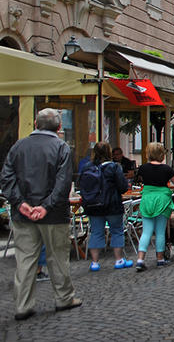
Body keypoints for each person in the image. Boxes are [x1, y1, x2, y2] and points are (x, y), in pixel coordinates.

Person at [1, 108, 81, 320]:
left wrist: (21, 204)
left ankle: (22, 305)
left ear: (35, 124)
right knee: (58, 258)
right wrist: (46, 206)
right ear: (59, 127)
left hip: (23, 215)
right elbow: (63, 183)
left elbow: (6, 178)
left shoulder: (19, 146)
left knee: (25, 260)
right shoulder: (61, 147)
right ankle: (64, 298)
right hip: (53, 216)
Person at [79, 142, 132, 271]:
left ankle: (95, 262)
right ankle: (119, 260)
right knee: (117, 231)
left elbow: (81, 185)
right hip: (112, 204)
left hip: (93, 205)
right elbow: (123, 187)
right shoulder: (114, 167)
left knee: (96, 232)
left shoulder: (87, 167)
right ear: (109, 153)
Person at [135, 143, 174, 272]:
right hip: (162, 199)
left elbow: (137, 180)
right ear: (162, 154)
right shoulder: (167, 169)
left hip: (147, 199)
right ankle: (160, 259)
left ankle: (140, 259)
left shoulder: (143, 168)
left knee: (146, 231)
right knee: (160, 231)